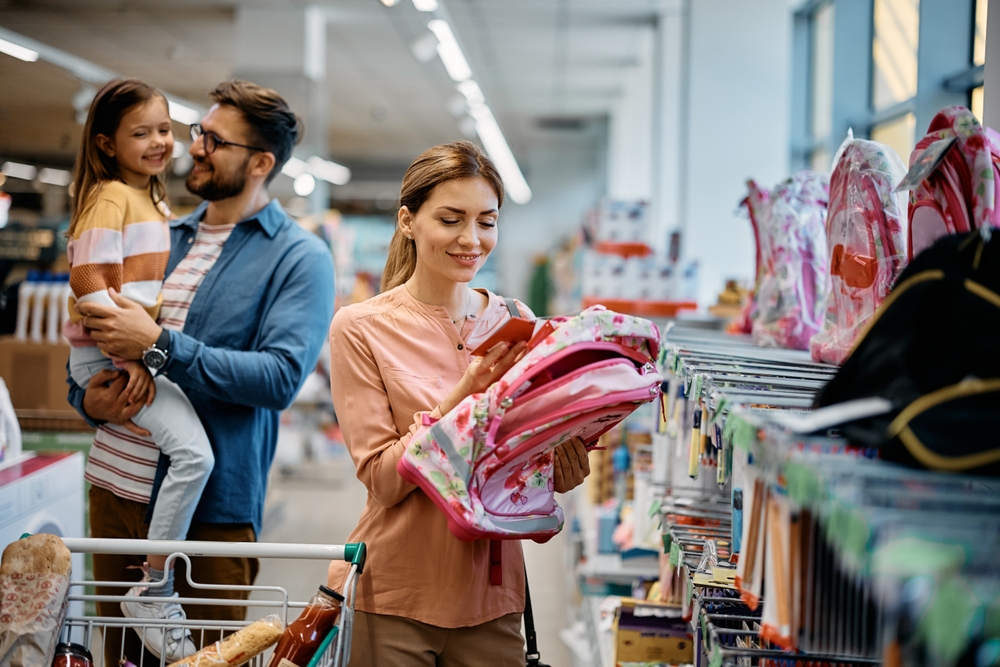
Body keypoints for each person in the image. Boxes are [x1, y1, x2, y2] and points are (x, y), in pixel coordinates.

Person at [66, 80, 335, 665]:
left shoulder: (298, 257)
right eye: (199, 132)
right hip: (117, 494)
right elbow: (90, 350)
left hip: (210, 514)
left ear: (261, 162)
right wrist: (91, 401)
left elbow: (279, 378)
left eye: (215, 140)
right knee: (115, 656)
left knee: (206, 660)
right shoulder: (164, 233)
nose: (195, 147)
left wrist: (160, 344)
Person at [327, 141, 591, 665]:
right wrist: (462, 397)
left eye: (486, 222)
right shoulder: (360, 328)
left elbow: (518, 473)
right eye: (451, 219)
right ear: (408, 221)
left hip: (493, 599)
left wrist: (558, 466)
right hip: (395, 593)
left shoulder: (519, 322)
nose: (471, 239)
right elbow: (382, 479)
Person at [63, 78, 214, 663]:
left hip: (121, 349)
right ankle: (152, 590)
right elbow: (87, 285)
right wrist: (134, 359)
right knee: (195, 455)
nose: (159, 142)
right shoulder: (110, 197)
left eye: (165, 129)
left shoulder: (148, 197)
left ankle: (152, 585)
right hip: (109, 352)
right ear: (105, 143)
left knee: (190, 454)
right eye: (140, 132)